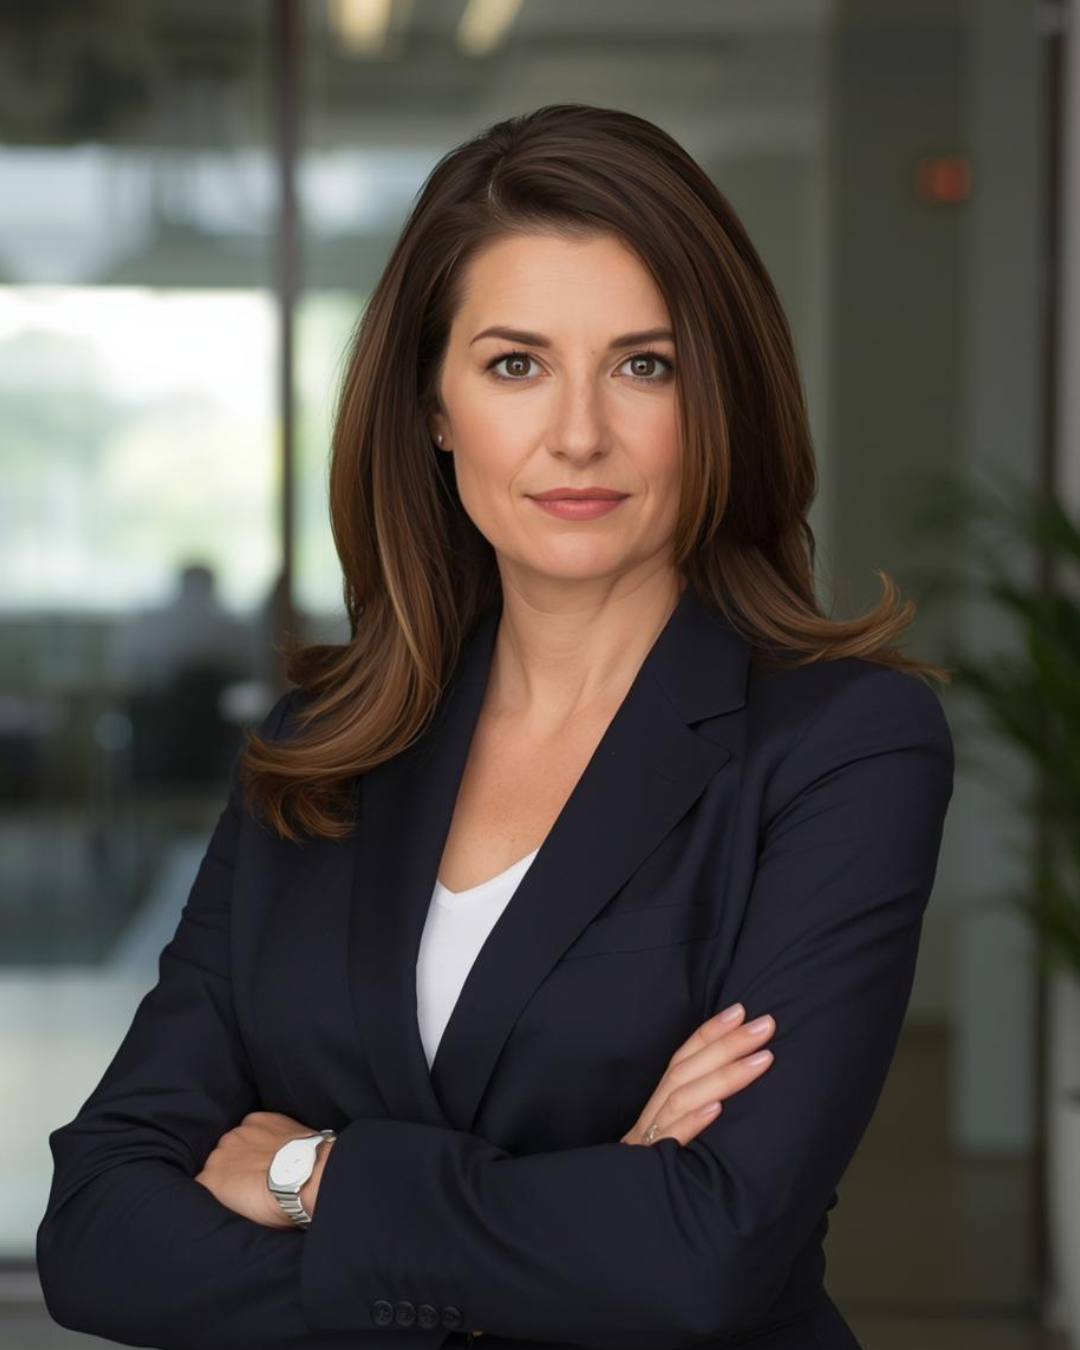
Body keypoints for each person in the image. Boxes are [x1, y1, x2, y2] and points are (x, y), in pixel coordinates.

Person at [37, 103, 955, 1350]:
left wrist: (316, 1179)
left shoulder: (845, 744)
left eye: (646, 364)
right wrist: (582, 1221)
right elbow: (97, 1236)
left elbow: (706, 1261)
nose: (578, 432)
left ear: (720, 392)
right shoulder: (327, 744)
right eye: (515, 364)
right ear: (433, 406)